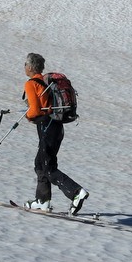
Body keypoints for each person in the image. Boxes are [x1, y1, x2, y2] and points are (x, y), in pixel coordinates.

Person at [22, 52, 90, 215]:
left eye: (25, 64)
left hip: (47, 127)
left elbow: (35, 110)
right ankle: (42, 201)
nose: (24, 67)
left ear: (31, 67)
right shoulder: (46, 83)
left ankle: (76, 193)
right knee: (40, 162)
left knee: (48, 166)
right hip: (56, 127)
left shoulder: (31, 84)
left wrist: (28, 115)